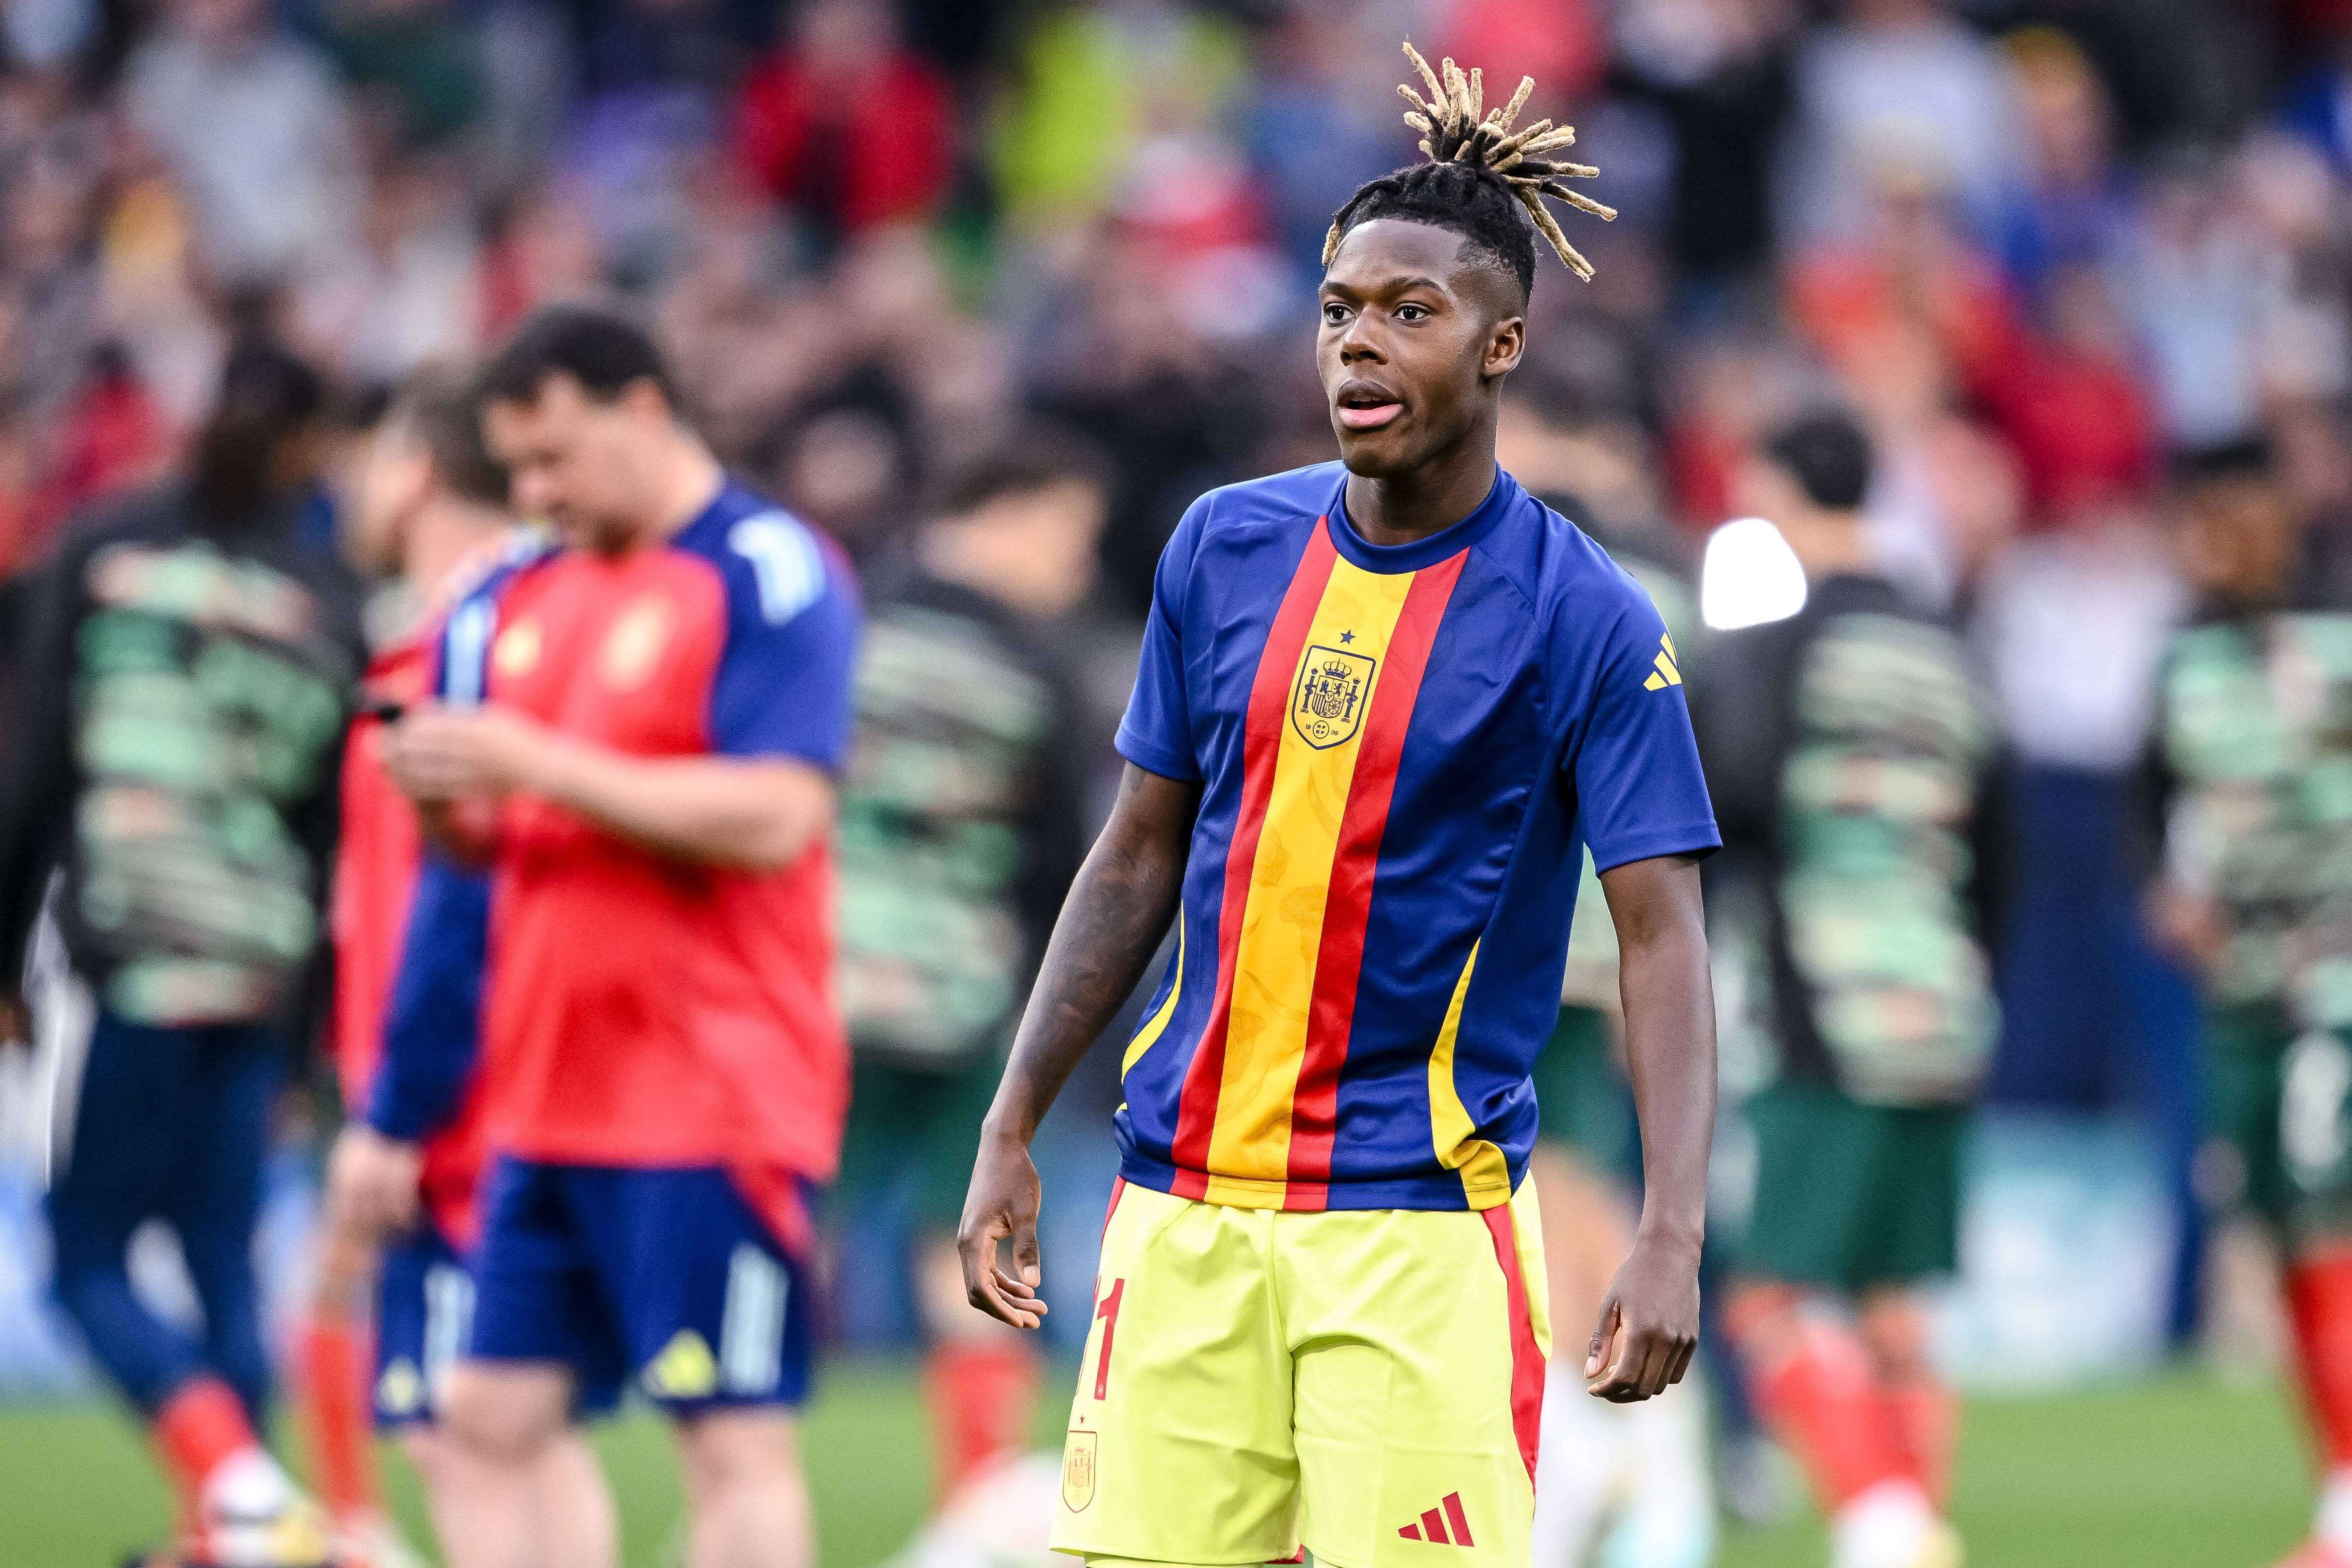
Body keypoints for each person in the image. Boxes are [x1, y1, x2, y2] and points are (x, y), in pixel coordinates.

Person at [958, 46, 1721, 1568]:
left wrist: (1667, 1229)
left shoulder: (1582, 614)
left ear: (1501, 345)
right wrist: (1012, 1117)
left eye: (1408, 312)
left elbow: (1660, 934)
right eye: (1337, 309)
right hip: (1178, 1206)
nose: (1357, 342)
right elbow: (1132, 857)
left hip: (1413, 1231)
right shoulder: (1220, 546)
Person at [379, 305, 861, 1568]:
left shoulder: (765, 569)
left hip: (708, 1091)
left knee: (729, 1440)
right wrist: (443, 798)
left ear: (642, 409)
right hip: (543, 1095)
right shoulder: (522, 591)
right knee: (486, 1419)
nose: (533, 495)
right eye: (515, 468)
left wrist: (532, 761)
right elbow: (483, 851)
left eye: (553, 459)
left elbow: (778, 815)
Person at [0, 336, 365, 1567]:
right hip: (263, 968)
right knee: (221, 1261)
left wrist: (4, 961)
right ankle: (226, 1533)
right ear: (312, 446)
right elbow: (326, 842)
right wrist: (308, 1036)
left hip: (135, 954)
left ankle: (240, 1493)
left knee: (83, 1259)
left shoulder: (109, 547)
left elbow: (34, 772)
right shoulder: (326, 596)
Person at [302, 366, 616, 1568]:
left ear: (416, 473)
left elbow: (454, 908)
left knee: (472, 1435)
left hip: (462, 1117)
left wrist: (397, 1114)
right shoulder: (495, 651)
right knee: (506, 1433)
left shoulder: (457, 669)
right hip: (489, 1099)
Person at [1699, 411, 1997, 1568]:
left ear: (1778, 492)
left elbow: (1729, 810)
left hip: (1818, 1003)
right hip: (1945, 1002)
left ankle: (1883, 1520)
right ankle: (1914, 1519)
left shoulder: (1778, 651)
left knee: (1771, 1291)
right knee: (1896, 1296)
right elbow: (2004, 841)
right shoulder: (1951, 645)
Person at [833, 443, 1098, 1498]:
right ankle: (981, 1502)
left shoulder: (853, 618)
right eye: (1069, 535)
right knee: (972, 1244)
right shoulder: (1039, 663)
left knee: (782, 1225)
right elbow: (1070, 865)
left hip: (824, 982)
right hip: (971, 995)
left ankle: (733, 1464)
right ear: (1011, 508)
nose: (1075, 566)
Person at [2145, 441, 2352, 1568]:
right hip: (2239, 992)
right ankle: (2338, 1493)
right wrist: (2168, 895)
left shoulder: (2337, 630)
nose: (2210, 545)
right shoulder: (2182, 658)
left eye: (2230, 518)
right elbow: (2146, 803)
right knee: (2274, 1233)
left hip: (2336, 986)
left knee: (2329, 1220)